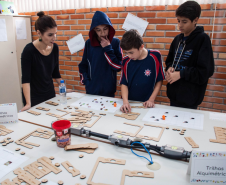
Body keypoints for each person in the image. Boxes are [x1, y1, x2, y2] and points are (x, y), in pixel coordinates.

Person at [165, 1, 214, 109]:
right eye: (178, 21)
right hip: (174, 95)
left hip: (190, 98)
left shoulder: (202, 39)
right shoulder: (177, 39)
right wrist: (169, 68)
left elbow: (205, 71)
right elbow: (169, 61)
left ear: (195, 20)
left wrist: (181, 74)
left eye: (184, 21)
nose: (180, 25)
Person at [21, 11, 64, 111]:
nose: (54, 38)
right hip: (33, 96)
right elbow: (25, 80)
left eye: (55, 34)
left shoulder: (55, 48)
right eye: (50, 35)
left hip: (49, 92)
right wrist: (28, 103)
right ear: (39, 33)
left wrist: (63, 87)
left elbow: (55, 73)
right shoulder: (29, 50)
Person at [78, 11, 122, 97]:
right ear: (94, 30)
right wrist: (87, 82)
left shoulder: (116, 43)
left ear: (109, 28)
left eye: (105, 29)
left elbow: (118, 67)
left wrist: (108, 48)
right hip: (91, 90)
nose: (102, 33)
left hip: (109, 91)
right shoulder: (88, 43)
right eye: (98, 30)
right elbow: (83, 65)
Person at [119, 30, 165, 113]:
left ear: (141, 46)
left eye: (131, 52)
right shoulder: (126, 61)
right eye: (126, 53)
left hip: (146, 104)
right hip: (129, 104)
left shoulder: (155, 56)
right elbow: (124, 83)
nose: (129, 56)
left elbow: (159, 80)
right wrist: (125, 102)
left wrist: (151, 99)